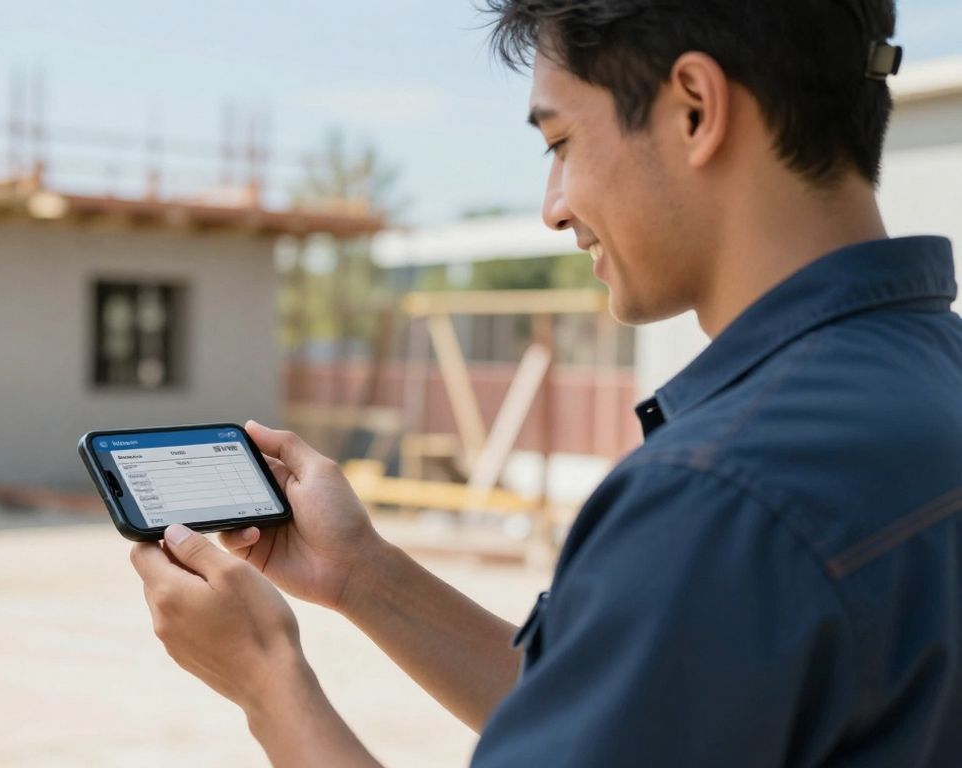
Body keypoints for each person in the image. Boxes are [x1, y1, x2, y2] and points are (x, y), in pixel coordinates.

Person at [128, 1, 962, 764]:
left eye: (560, 142)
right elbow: (628, 719)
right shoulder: (930, 381)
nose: (553, 207)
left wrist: (268, 681)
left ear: (696, 110)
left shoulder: (718, 498)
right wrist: (363, 576)